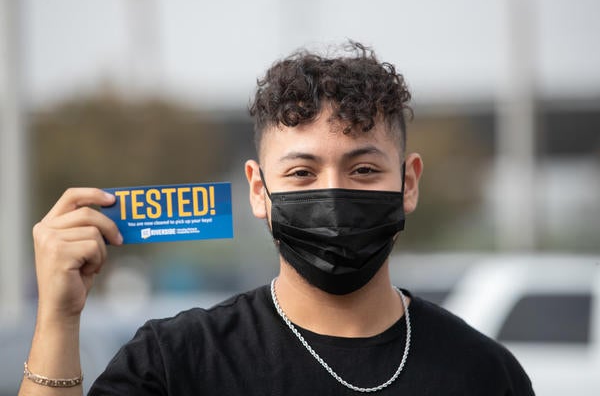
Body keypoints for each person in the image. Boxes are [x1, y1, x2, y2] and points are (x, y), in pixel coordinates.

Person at [19, 41, 534, 395]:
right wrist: (58, 321)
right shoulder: (176, 363)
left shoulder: (484, 373)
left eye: (362, 169)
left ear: (408, 182)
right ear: (259, 190)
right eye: (303, 173)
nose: (332, 195)